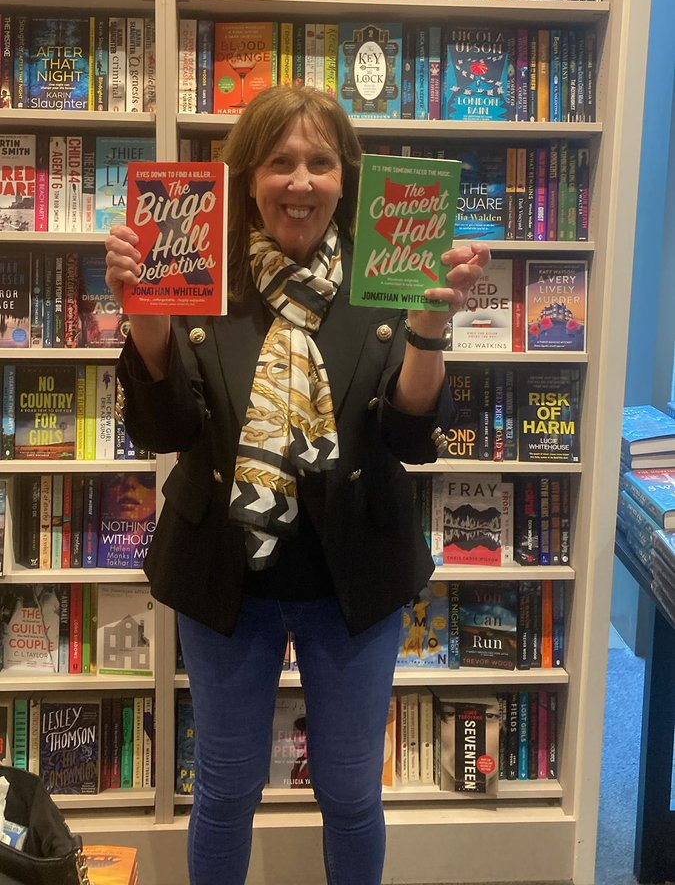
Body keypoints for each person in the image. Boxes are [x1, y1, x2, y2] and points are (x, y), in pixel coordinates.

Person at [105, 85, 490, 885]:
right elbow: (166, 431)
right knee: (223, 792)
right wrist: (145, 315)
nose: (300, 182)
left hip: (353, 574)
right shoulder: (199, 277)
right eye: (279, 162)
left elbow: (407, 436)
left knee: (350, 795)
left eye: (319, 162)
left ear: (347, 178)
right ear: (247, 177)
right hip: (225, 578)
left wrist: (428, 330)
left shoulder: (387, 278)